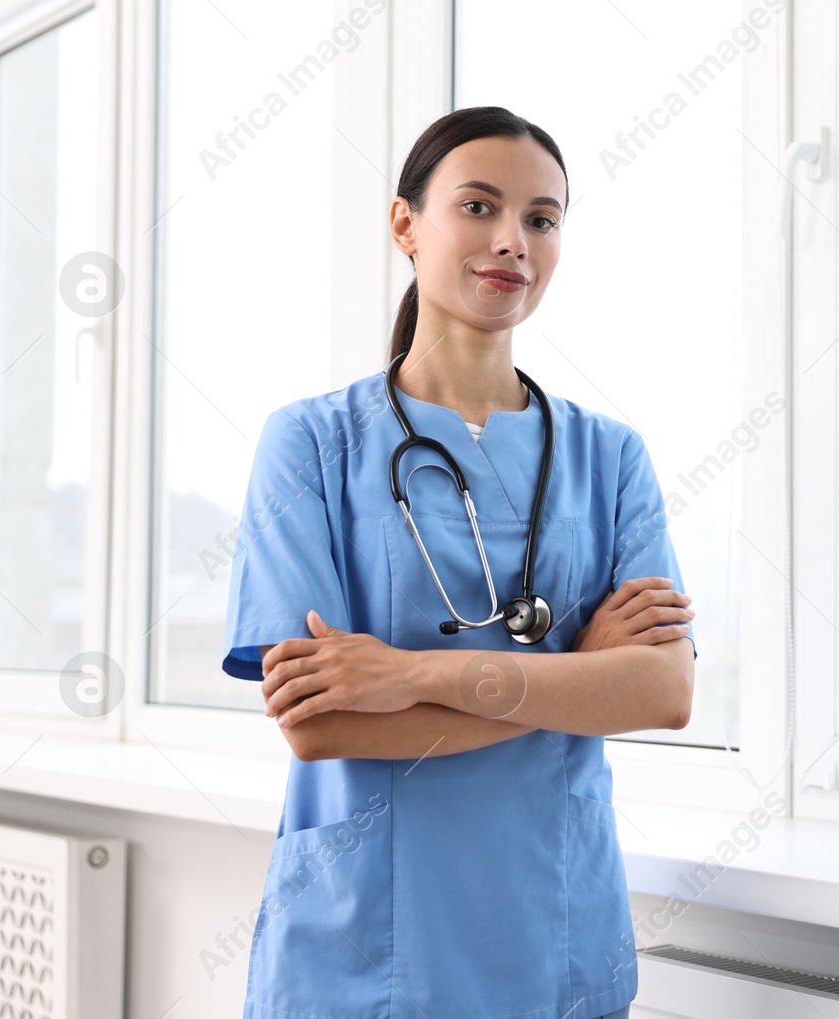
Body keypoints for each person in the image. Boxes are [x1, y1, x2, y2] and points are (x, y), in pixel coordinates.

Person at [219, 105, 697, 1019]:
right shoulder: (311, 445)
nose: (511, 241)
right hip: (368, 951)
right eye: (478, 206)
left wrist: (410, 675)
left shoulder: (611, 456)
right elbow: (322, 725)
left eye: (541, 219)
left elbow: (663, 694)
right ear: (405, 224)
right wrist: (582, 677)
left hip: (554, 937)